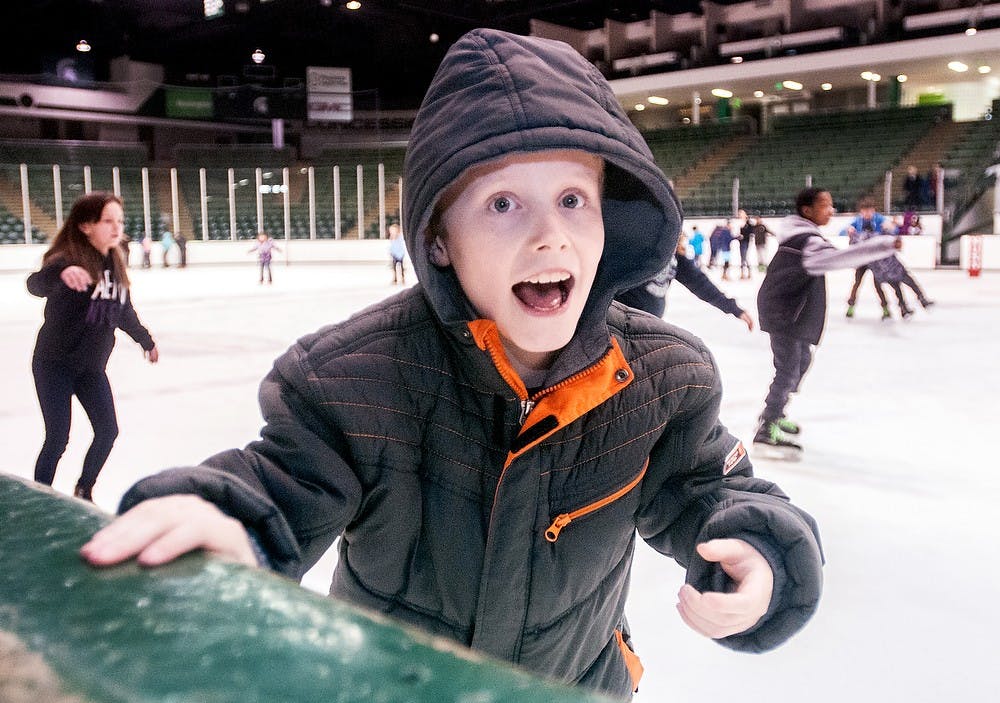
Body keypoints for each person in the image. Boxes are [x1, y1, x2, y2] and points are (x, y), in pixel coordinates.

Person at [81, 29, 823, 700]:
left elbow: (707, 488)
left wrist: (761, 552)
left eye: (573, 199)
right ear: (437, 238)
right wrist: (227, 518)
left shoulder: (663, 376)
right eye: (503, 204)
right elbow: (281, 482)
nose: (549, 236)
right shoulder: (357, 378)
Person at [26, 192, 159, 502]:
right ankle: (38, 499)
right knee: (58, 438)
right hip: (54, 364)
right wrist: (59, 273)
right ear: (86, 226)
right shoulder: (67, 258)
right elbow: (35, 284)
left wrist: (145, 340)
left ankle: (84, 489)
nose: (116, 227)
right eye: (107, 221)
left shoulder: (115, 261)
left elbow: (122, 309)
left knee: (108, 431)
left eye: (119, 221)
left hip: (91, 368)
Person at [755, 187, 901, 457]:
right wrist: (882, 245)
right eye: (826, 205)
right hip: (785, 312)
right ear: (807, 211)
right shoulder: (807, 242)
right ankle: (767, 426)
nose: (831, 210)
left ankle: (774, 411)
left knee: (800, 362)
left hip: (785, 308)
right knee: (787, 369)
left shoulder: (801, 235)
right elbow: (840, 258)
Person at [616, 232, 754, 331]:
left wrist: (733, 309)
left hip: (650, 328)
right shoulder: (632, 249)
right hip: (619, 326)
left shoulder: (674, 257)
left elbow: (700, 284)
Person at [845, 199, 892, 320]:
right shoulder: (858, 221)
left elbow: (890, 227)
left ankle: (885, 309)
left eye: (870, 211)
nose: (867, 214)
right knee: (857, 283)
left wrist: (889, 226)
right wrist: (849, 229)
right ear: (861, 212)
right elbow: (846, 230)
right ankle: (851, 306)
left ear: (873, 211)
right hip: (863, 258)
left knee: (878, 285)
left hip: (875, 259)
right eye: (865, 211)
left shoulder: (879, 219)